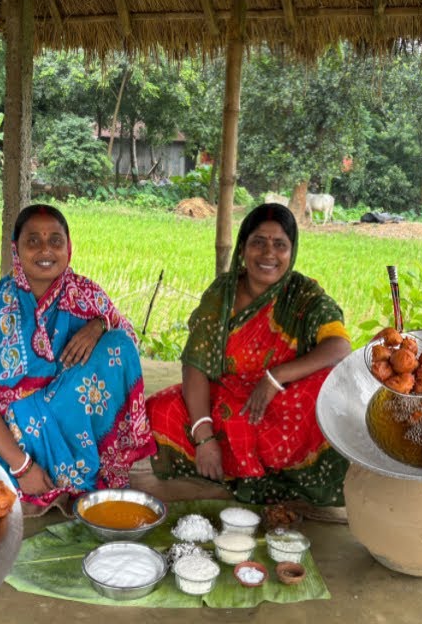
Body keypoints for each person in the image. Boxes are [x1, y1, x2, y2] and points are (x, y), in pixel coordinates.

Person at [0, 204, 155, 510]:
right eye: (33, 241)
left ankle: (73, 460)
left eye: (55, 241)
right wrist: (22, 466)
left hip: (70, 422)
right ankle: (35, 467)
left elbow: (128, 342)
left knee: (118, 344)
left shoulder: (86, 294)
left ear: (68, 248)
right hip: (11, 428)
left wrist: (99, 325)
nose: (45, 250)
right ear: (16, 249)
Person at [146, 203, 352, 506]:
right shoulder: (222, 294)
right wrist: (204, 436)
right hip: (224, 402)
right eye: (259, 242)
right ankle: (226, 464)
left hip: (279, 404)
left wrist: (275, 378)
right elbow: (195, 366)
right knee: (160, 411)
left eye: (280, 245)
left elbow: (340, 347)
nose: (269, 254)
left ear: (291, 251)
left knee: (329, 390)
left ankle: (271, 476)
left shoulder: (303, 294)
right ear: (242, 248)